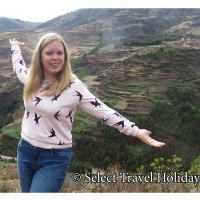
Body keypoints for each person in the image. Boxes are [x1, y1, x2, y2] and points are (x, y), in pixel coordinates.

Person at [9, 33, 165, 192]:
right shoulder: (31, 78)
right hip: (25, 150)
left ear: (65, 56)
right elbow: (18, 66)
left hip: (54, 158)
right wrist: (15, 47)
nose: (55, 57)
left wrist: (136, 131)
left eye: (59, 53)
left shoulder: (74, 88)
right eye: (49, 53)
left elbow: (104, 111)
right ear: (39, 56)